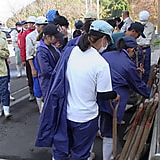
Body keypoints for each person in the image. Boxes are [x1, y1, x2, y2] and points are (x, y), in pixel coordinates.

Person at [35, 20, 119, 160]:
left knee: (61, 149)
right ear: (104, 39)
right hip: (86, 118)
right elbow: (104, 94)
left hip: (65, 113)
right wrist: (115, 95)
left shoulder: (70, 52)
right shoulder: (101, 64)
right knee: (80, 153)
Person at [99, 36, 151, 160]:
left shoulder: (107, 55)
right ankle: (108, 157)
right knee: (111, 130)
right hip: (115, 98)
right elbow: (137, 84)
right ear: (130, 49)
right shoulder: (128, 64)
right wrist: (150, 93)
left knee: (100, 122)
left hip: (100, 94)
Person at [26, 16, 48, 113]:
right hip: (36, 61)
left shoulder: (48, 35)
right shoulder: (30, 37)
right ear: (37, 26)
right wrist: (33, 69)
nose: (43, 28)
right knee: (38, 85)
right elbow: (29, 55)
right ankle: (41, 108)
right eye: (41, 26)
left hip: (46, 61)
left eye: (45, 26)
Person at [35, 24, 63, 100]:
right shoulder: (41, 51)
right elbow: (46, 71)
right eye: (55, 37)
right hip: (49, 85)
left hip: (56, 83)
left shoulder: (52, 47)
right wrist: (60, 75)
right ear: (48, 37)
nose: (57, 39)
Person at [20, 16, 37, 101]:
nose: (30, 25)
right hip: (28, 58)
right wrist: (23, 59)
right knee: (30, 75)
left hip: (36, 57)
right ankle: (31, 92)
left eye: (32, 23)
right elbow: (22, 47)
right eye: (29, 23)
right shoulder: (25, 34)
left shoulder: (38, 32)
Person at [137, 10, 155, 83]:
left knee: (146, 67)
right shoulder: (136, 25)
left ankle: (144, 85)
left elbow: (153, 38)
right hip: (138, 48)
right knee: (137, 66)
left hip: (147, 48)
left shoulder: (151, 26)